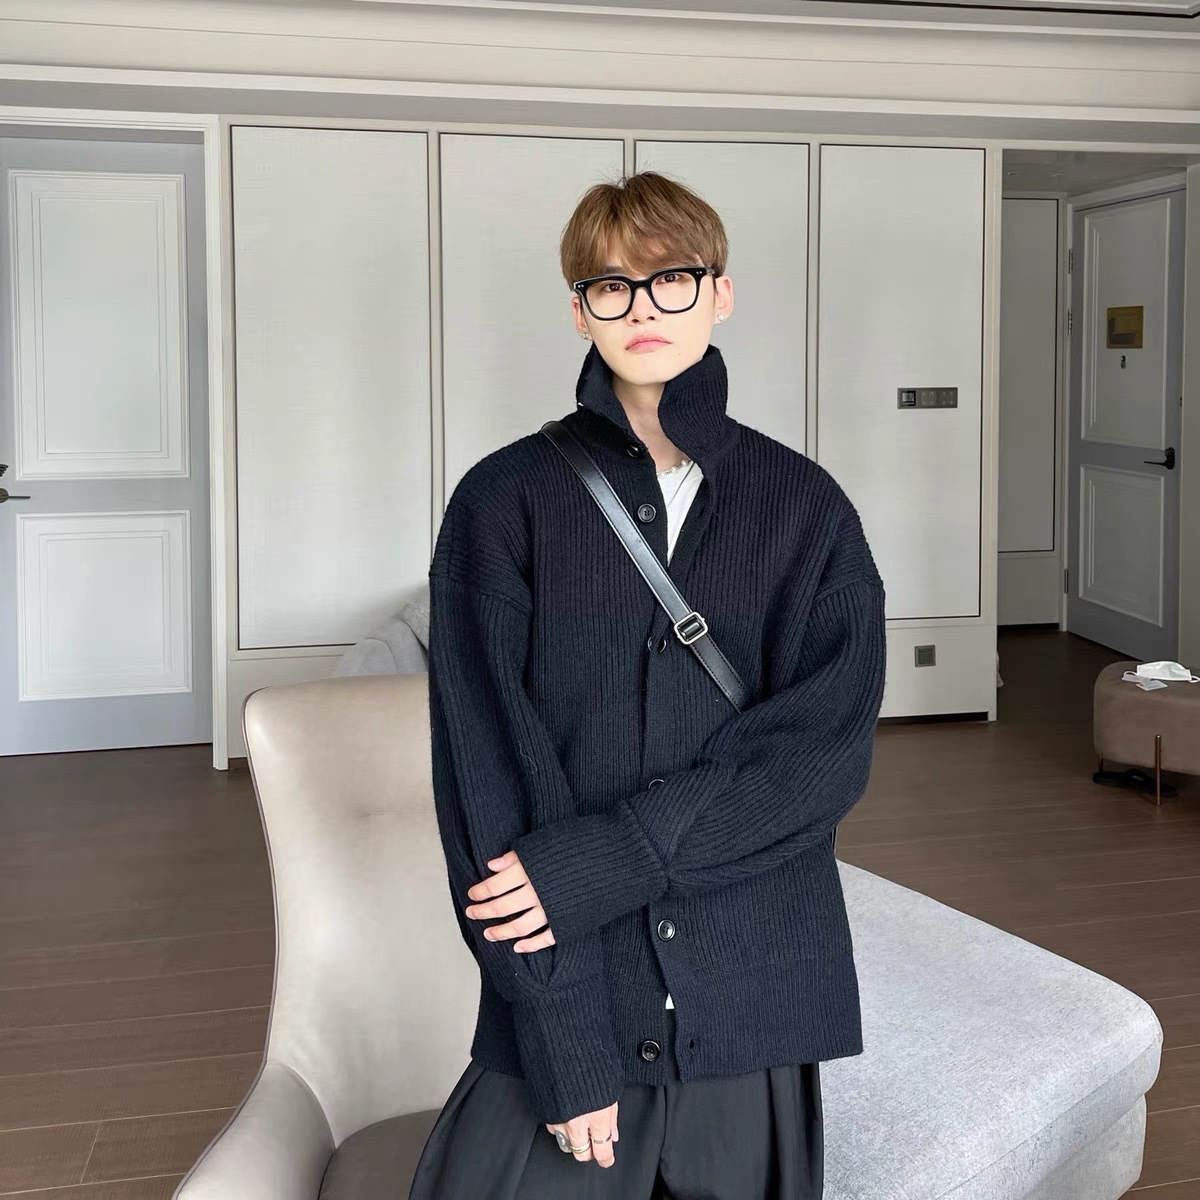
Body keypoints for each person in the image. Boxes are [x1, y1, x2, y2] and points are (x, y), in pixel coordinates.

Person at [408, 170, 887, 1199]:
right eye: (611, 285)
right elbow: (486, 786)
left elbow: (821, 762)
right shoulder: (501, 502)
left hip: (754, 989)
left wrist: (616, 855)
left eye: (672, 279)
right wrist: (564, 1042)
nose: (643, 308)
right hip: (576, 985)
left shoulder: (807, 509)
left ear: (720, 294)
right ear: (580, 310)